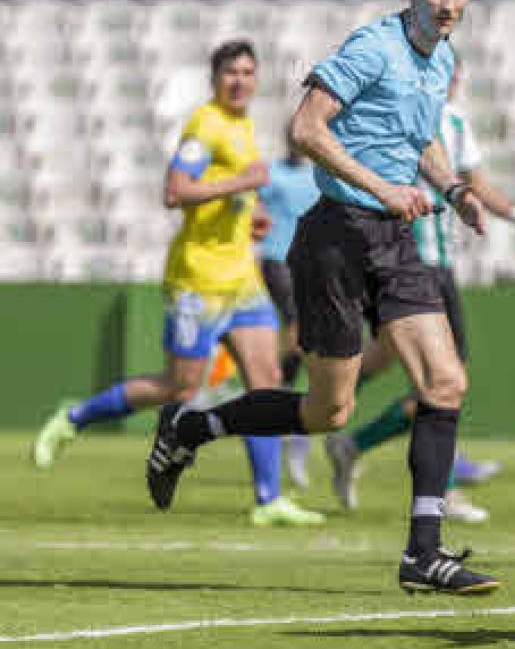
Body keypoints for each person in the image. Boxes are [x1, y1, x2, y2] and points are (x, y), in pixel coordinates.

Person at [143, 0, 501, 595]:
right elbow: (308, 127)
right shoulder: (373, 47)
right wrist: (383, 188)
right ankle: (190, 425)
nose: (449, 5)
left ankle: (424, 552)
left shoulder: (439, 57)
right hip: (336, 238)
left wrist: (453, 190)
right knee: (326, 413)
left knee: (445, 383)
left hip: (394, 242)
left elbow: (417, 139)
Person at [31, 40, 323, 527]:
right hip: (198, 281)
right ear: (214, 79)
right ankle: (74, 418)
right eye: (232, 72)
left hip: (243, 279)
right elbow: (175, 191)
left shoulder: (243, 126)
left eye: (249, 72)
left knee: (265, 383)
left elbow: (229, 194)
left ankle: (268, 498)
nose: (241, 81)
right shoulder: (205, 125)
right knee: (179, 386)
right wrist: (240, 185)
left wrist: (252, 215)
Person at [325, 61, 515, 521]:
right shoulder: (399, 114)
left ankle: (344, 432)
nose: (449, 82)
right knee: (443, 379)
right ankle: (437, 485)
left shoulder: (456, 122)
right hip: (408, 260)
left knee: (425, 373)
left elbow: (475, 184)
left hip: (439, 264)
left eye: (453, 74)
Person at [256, 127, 321, 489]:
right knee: (298, 329)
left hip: (309, 262)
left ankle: (283, 395)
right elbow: (254, 209)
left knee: (308, 340)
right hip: (276, 259)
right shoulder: (272, 172)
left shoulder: (318, 173)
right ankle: (281, 394)